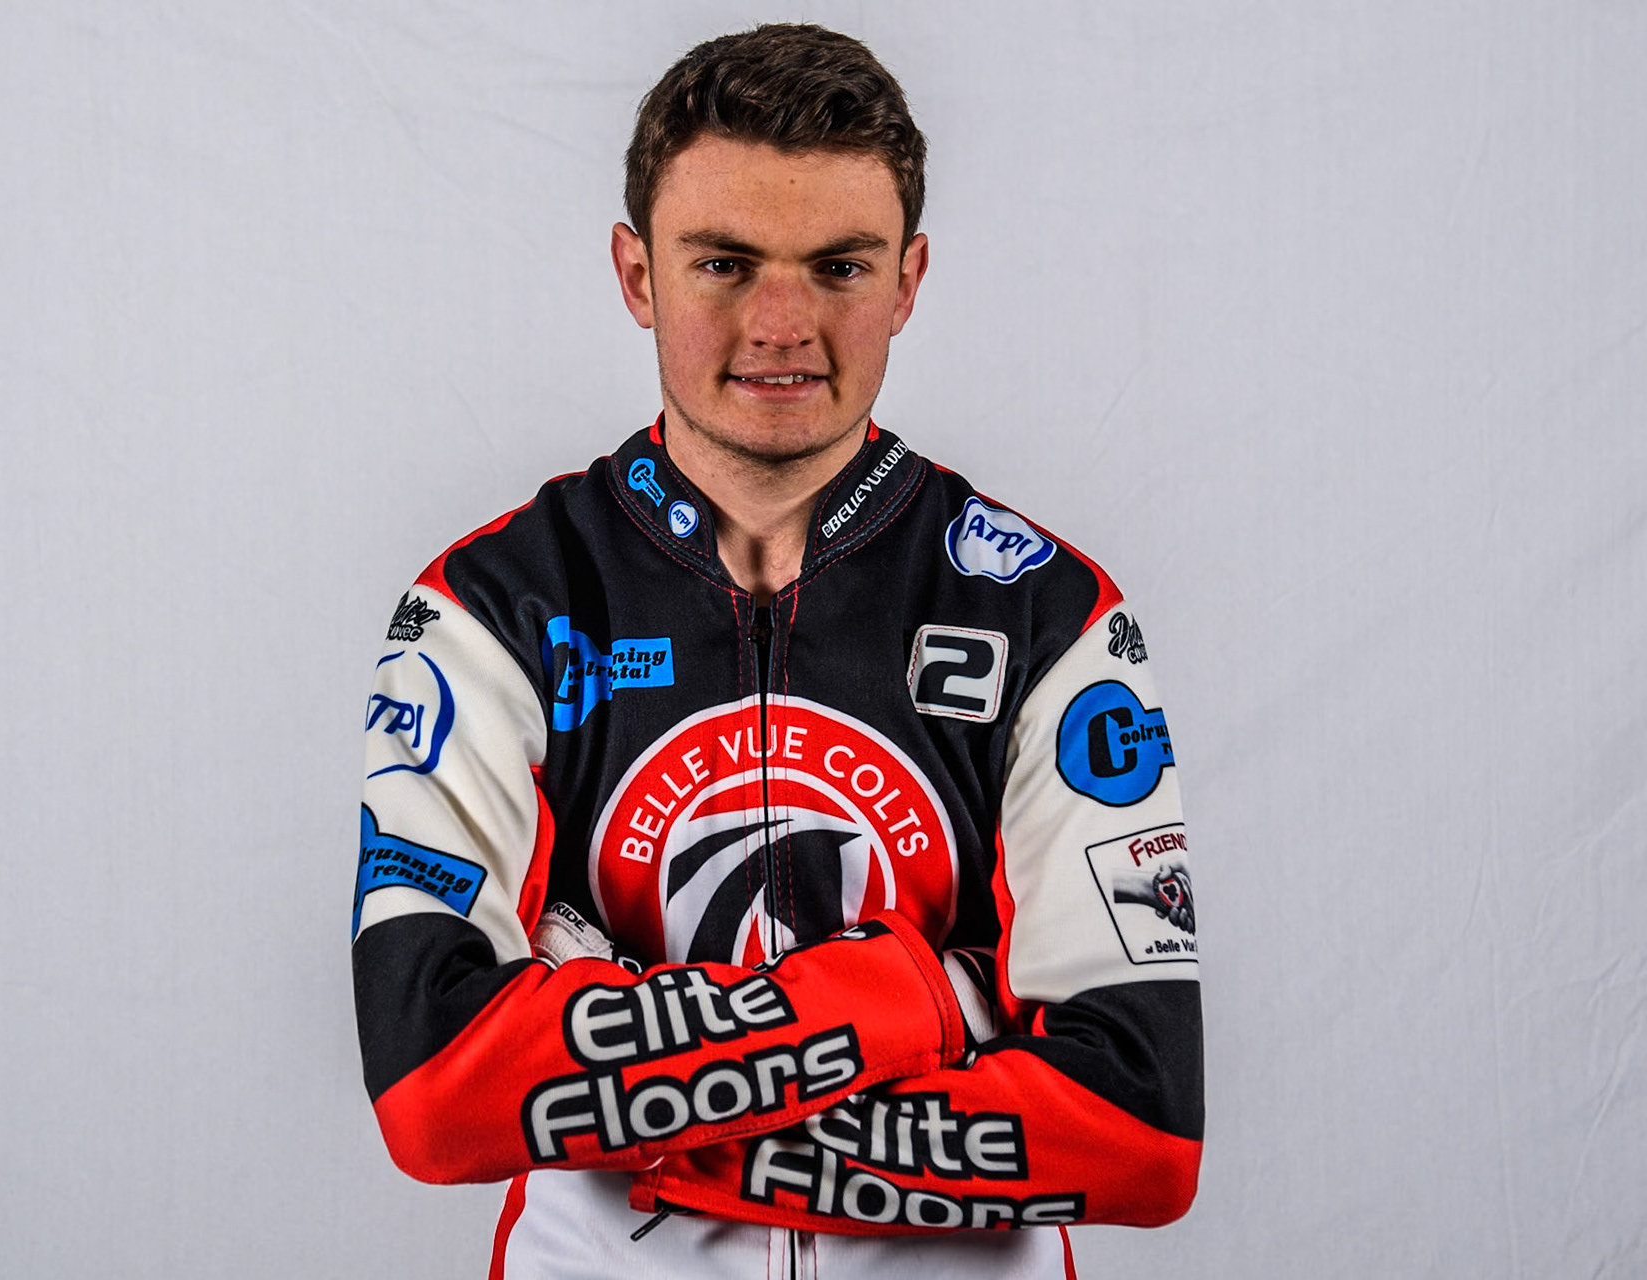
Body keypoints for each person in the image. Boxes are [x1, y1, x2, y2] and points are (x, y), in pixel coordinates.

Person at [352, 23, 1202, 1278]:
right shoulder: (493, 607)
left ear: (909, 280)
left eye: (840, 265)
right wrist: (915, 1000)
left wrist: (649, 1106)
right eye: (725, 263)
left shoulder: (1053, 618)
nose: (783, 324)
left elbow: (1140, 1126)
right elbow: (434, 1086)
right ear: (637, 275)